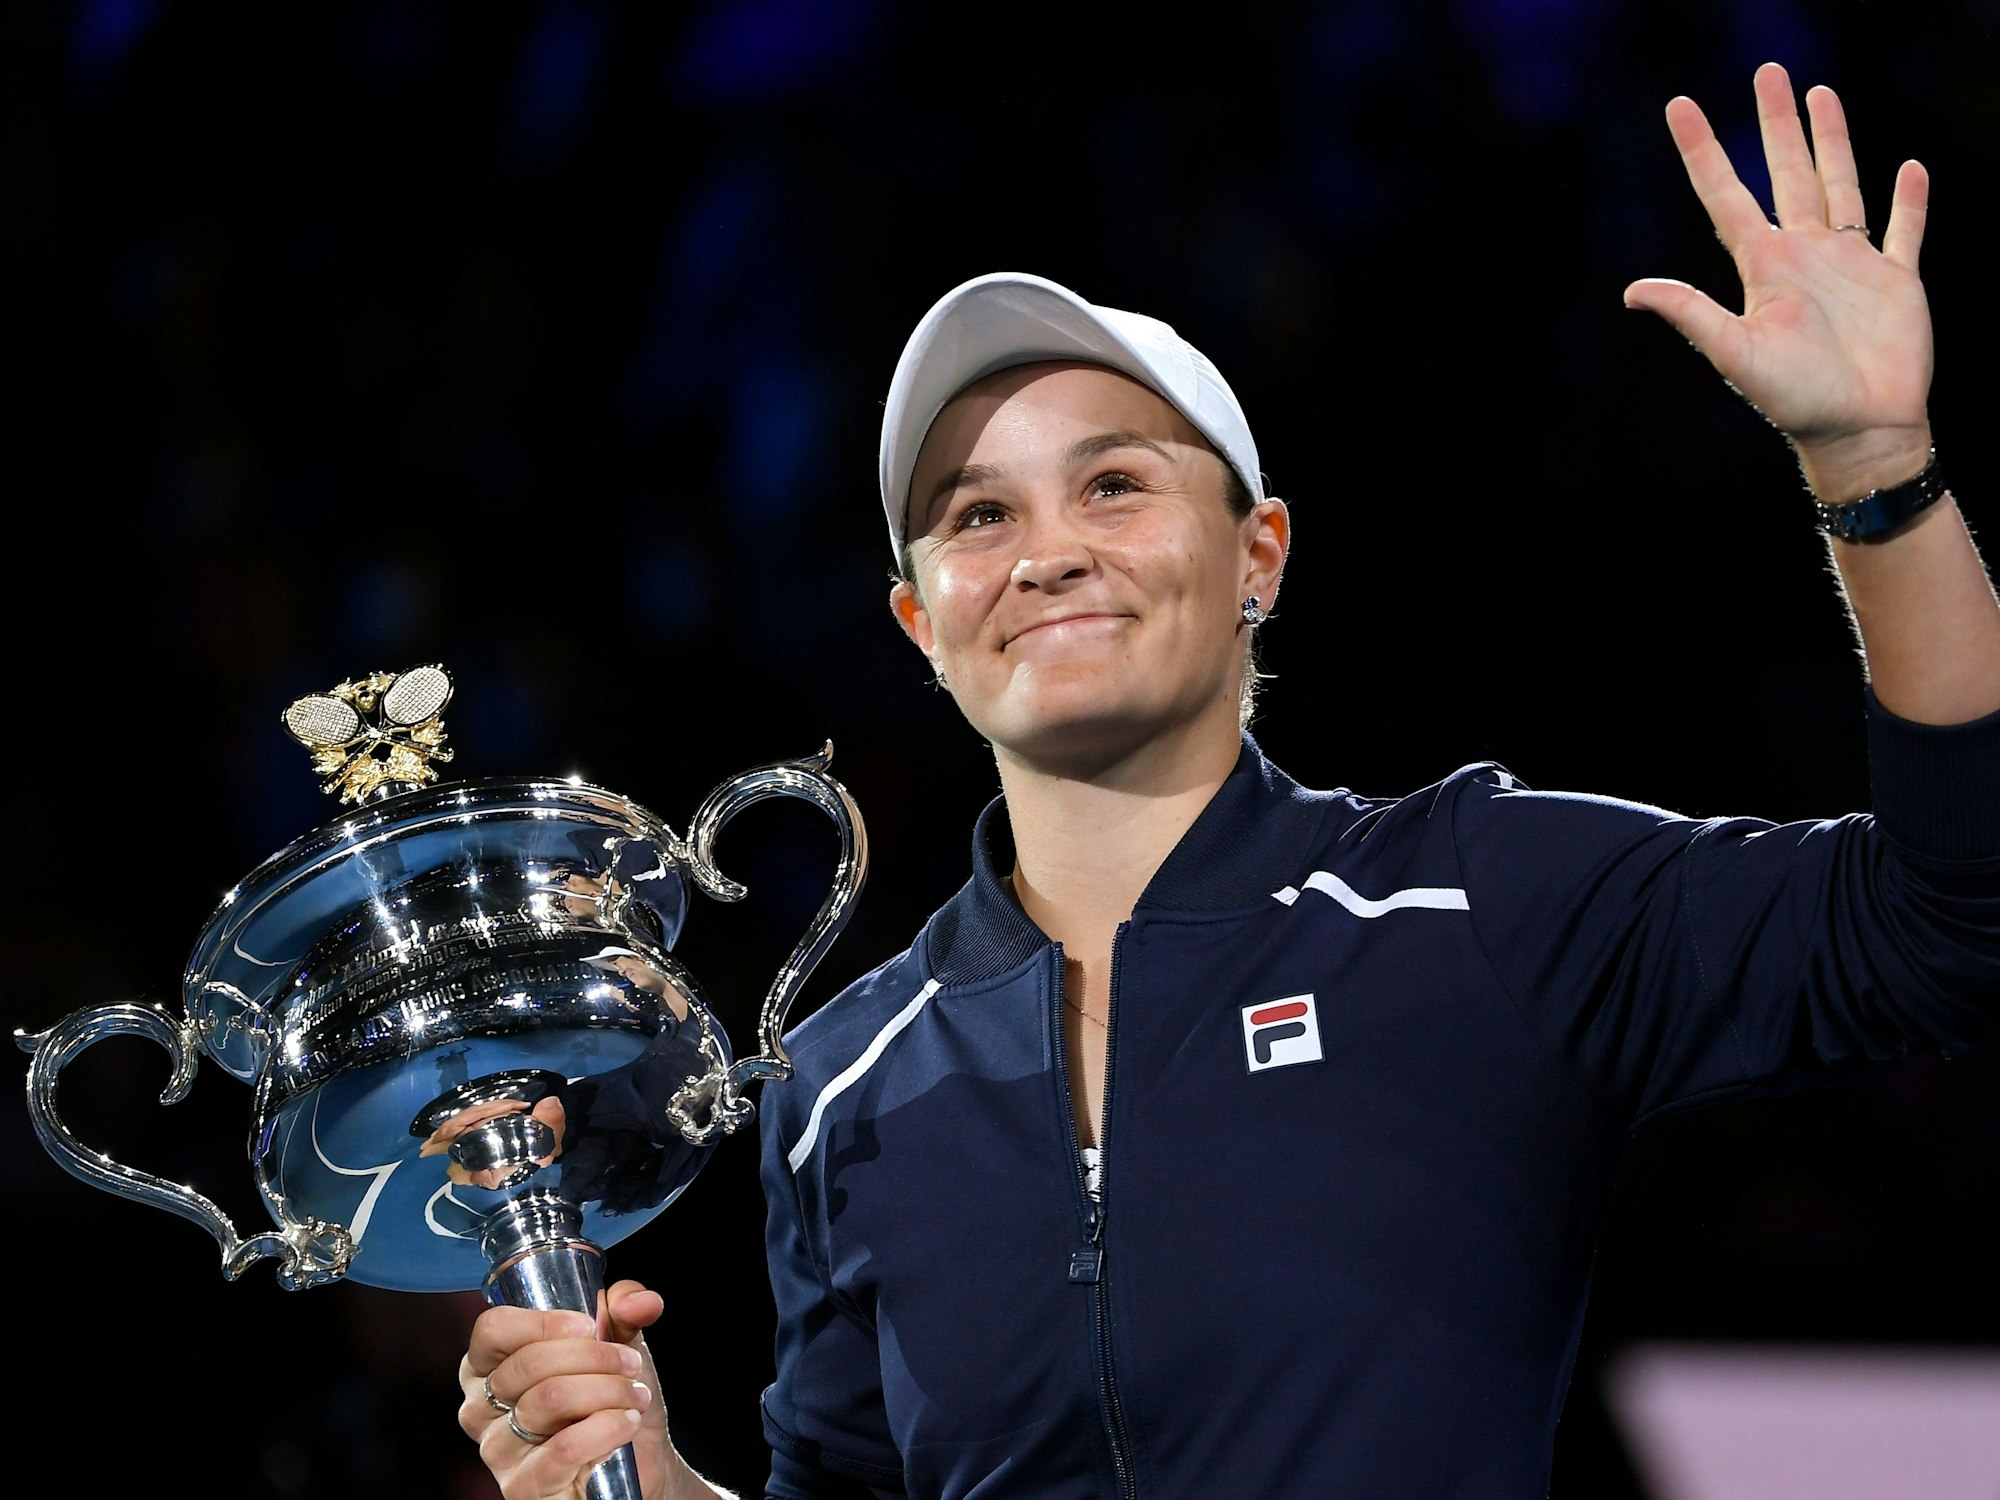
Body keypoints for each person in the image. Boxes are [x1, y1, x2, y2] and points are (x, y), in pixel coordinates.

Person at [456, 63, 2000, 1499]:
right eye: (976, 516)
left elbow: (1950, 919)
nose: (1047, 549)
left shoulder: (1474, 897)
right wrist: (660, 1479)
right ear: (921, 625)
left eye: (1115, 483)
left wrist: (1875, 466)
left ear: (1257, 553)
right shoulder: (837, 1085)